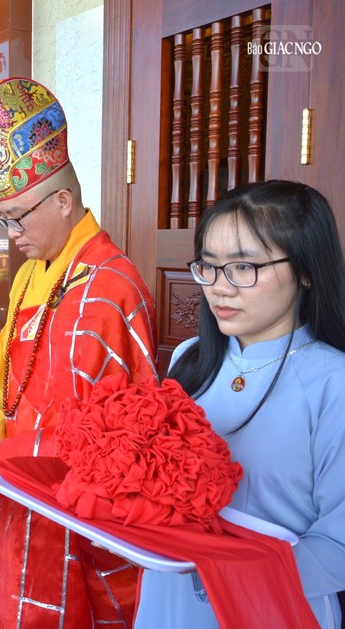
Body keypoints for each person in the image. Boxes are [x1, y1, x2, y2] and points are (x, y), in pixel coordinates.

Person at [0, 77, 158, 627]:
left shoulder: (111, 287)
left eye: (17, 216)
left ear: (63, 200)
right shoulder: (29, 276)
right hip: (15, 483)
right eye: (3, 218)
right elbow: (1, 374)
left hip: (73, 507)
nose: (10, 233)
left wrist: (15, 454)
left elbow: (117, 432)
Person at [134, 181, 345, 628]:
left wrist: (224, 571)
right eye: (209, 266)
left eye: (243, 267)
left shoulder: (333, 382)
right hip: (168, 599)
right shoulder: (189, 358)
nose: (219, 288)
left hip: (272, 606)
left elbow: (337, 545)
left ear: (306, 269)